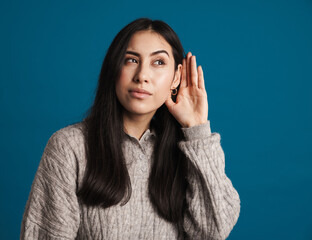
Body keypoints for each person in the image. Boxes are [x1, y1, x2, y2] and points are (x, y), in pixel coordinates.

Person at [20, 18, 241, 240]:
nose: (142, 76)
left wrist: (197, 129)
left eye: (158, 63)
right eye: (131, 60)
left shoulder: (187, 151)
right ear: (114, 69)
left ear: (175, 77)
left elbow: (214, 231)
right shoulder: (70, 147)